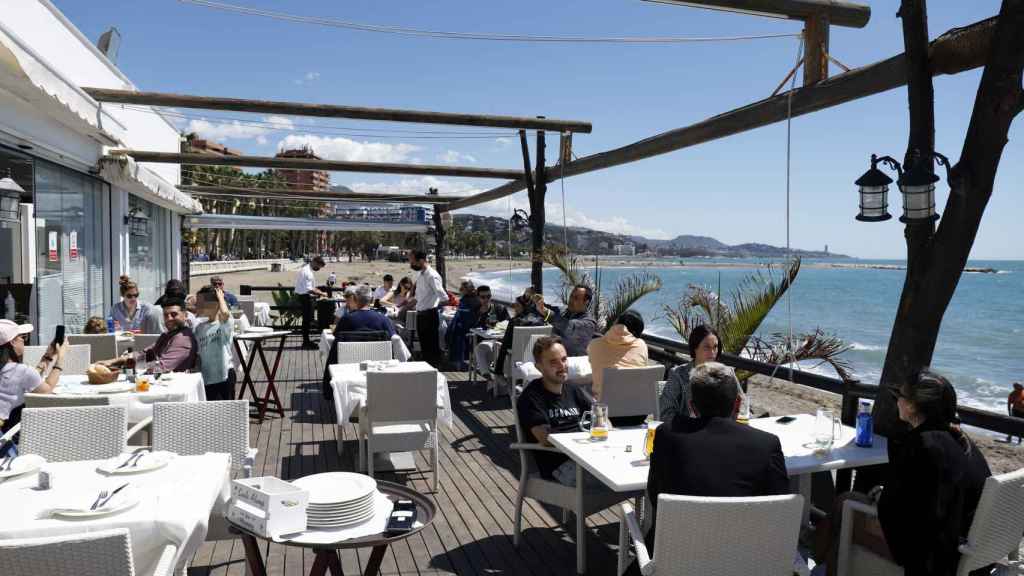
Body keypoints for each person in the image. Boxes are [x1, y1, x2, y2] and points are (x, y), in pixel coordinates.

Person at [815, 369, 992, 576]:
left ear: (910, 406)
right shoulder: (961, 440)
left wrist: (882, 495)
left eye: (899, 396)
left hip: (934, 557)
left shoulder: (921, 446)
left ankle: (819, 563)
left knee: (845, 511)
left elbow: (896, 516)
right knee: (847, 502)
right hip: (973, 550)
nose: (897, 401)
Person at [644, 362, 788, 546]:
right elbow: (779, 509)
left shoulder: (667, 435)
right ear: (737, 404)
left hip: (677, 555)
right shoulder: (767, 444)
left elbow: (655, 494)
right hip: (745, 557)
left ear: (692, 406)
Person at [516, 336, 595, 486]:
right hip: (560, 466)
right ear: (539, 367)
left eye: (564, 359)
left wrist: (603, 428)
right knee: (622, 478)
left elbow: (600, 416)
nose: (562, 366)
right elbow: (545, 438)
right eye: (553, 362)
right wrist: (582, 439)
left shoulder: (572, 388)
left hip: (585, 456)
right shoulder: (532, 396)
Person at [0, 320, 66, 446]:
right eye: (22, 337)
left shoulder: (15, 371)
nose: (24, 341)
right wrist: (61, 358)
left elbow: (27, 379)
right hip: (7, 440)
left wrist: (48, 356)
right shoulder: (21, 371)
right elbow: (46, 390)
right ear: (12, 342)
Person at [101, 297, 197, 373]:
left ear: (185, 315)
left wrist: (122, 369)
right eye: (166, 315)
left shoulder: (183, 339)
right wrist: (114, 362)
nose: (169, 318)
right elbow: (144, 354)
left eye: (174, 314)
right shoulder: (167, 335)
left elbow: (161, 367)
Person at [658, 324, 722, 422]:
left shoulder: (726, 374)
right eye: (707, 347)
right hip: (689, 433)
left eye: (715, 347)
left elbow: (742, 405)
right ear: (695, 348)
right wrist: (692, 424)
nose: (713, 352)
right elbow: (665, 413)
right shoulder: (679, 375)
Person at [586, 309, 649, 401]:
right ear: (637, 333)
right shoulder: (641, 345)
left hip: (603, 407)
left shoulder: (594, 344)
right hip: (636, 408)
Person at [192, 286, 235, 401]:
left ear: (215, 304)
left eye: (201, 303)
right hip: (207, 377)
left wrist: (220, 298)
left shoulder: (224, 324)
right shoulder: (199, 328)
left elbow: (225, 313)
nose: (197, 306)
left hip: (225, 376)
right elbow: (199, 354)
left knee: (226, 413)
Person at [407, 250, 447, 367]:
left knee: (431, 348)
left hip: (429, 315)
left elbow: (444, 297)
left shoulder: (432, 275)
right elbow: (420, 296)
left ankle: (434, 373)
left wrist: (432, 307)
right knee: (425, 347)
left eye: (412, 261)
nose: (411, 264)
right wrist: (406, 305)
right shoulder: (421, 274)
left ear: (421, 261)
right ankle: (428, 372)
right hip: (421, 315)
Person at [534, 285, 598, 358]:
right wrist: (530, 299)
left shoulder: (589, 323)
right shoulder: (563, 311)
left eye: (576, 298)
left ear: (586, 302)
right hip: (554, 359)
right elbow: (544, 308)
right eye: (571, 296)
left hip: (574, 364)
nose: (571, 300)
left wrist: (546, 313)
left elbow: (569, 326)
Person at [494, 293, 547, 379]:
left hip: (517, 362)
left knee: (497, 346)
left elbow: (505, 345)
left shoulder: (514, 321)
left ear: (524, 307)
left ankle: (499, 380)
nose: (514, 307)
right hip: (536, 361)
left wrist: (498, 370)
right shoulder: (542, 321)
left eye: (517, 305)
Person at [472, 285, 510, 379]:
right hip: (483, 340)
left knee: (485, 350)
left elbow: (508, 324)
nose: (486, 299)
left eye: (488, 296)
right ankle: (488, 376)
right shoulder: (475, 311)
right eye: (483, 297)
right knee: (482, 348)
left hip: (500, 341)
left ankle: (491, 379)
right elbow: (470, 327)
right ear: (478, 297)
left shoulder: (499, 309)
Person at [295, 256, 326, 350]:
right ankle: (306, 342)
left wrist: (318, 291)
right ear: (315, 262)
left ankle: (307, 341)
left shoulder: (307, 270)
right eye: (319, 266)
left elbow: (311, 287)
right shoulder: (307, 272)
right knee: (307, 321)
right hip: (305, 298)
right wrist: (322, 293)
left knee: (307, 320)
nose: (319, 269)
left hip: (305, 297)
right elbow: (309, 289)